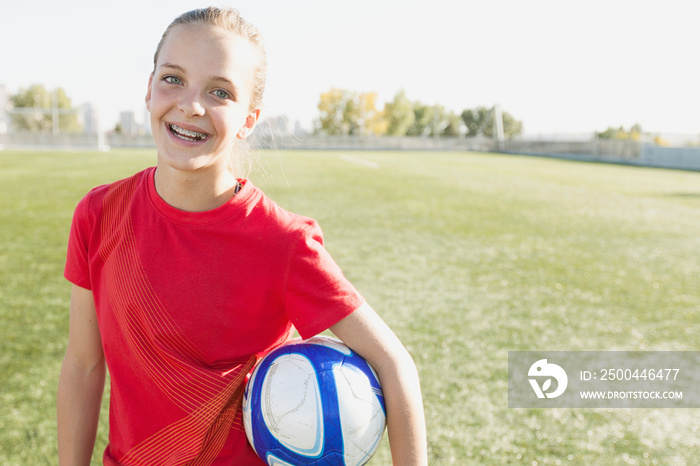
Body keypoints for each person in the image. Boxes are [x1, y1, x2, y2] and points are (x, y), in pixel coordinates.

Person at [57, 7, 427, 465]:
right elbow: (83, 365)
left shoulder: (283, 242)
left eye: (220, 92)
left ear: (249, 119)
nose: (191, 105)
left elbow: (395, 364)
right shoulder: (98, 215)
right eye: (173, 79)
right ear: (149, 89)